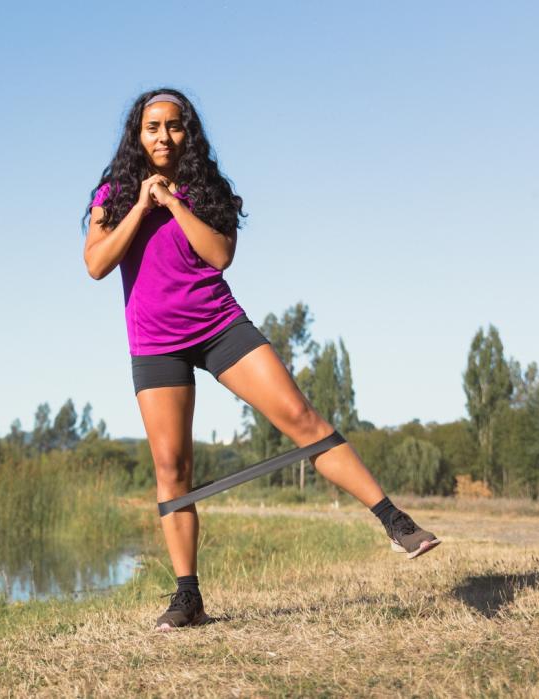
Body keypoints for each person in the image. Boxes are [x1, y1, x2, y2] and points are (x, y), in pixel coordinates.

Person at [81, 88, 441, 632]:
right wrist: (140, 206)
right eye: (152, 126)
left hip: (219, 327)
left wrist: (174, 202)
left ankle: (395, 521)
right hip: (155, 342)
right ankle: (188, 598)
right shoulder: (114, 194)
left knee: (302, 419)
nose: (163, 135)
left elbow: (219, 254)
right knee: (172, 470)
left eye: (174, 126)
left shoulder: (204, 190)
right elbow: (96, 264)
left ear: (187, 132)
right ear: (138, 133)